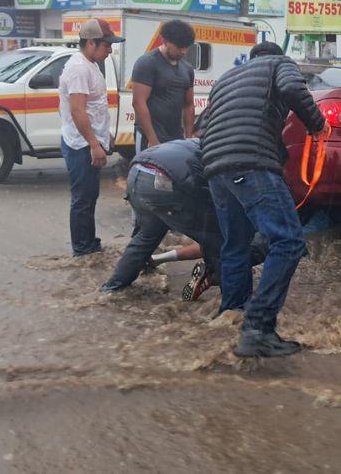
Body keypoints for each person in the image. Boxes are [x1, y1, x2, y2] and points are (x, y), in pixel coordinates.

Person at [200, 41, 327, 358]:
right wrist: (317, 124)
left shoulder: (226, 79)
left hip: (215, 169)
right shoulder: (280, 65)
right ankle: (257, 328)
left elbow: (203, 125)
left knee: (235, 245)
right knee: (289, 242)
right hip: (251, 163)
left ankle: (231, 314)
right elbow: (291, 88)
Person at [98, 137, 222, 298]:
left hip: (136, 171)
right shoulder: (222, 153)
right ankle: (228, 298)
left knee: (147, 235)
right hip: (165, 179)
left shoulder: (204, 142)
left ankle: (112, 290)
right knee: (215, 238)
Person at [59, 18, 124, 257]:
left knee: (89, 196)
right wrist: (94, 144)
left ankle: (89, 243)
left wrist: (105, 134)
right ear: (90, 43)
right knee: (83, 199)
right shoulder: (78, 69)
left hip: (88, 141)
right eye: (106, 45)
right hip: (80, 145)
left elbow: (95, 107)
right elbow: (78, 111)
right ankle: (82, 250)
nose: (109, 49)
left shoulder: (91, 65)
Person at [131, 19, 196, 151]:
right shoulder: (147, 63)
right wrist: (152, 139)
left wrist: (188, 138)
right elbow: (138, 103)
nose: (184, 51)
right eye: (179, 47)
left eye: (186, 47)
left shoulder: (187, 69)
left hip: (176, 138)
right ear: (165, 41)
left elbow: (189, 104)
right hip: (150, 138)